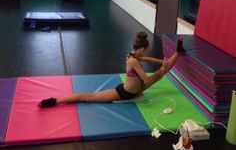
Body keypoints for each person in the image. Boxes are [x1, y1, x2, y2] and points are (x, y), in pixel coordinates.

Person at [38, 31, 185, 108]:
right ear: (141, 48)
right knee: (89, 97)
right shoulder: (133, 61)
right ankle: (55, 100)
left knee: (163, 70)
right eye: (145, 50)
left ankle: (178, 52)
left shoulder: (132, 54)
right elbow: (146, 79)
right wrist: (160, 70)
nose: (145, 53)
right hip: (125, 92)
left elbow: (145, 59)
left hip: (138, 89)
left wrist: (161, 62)